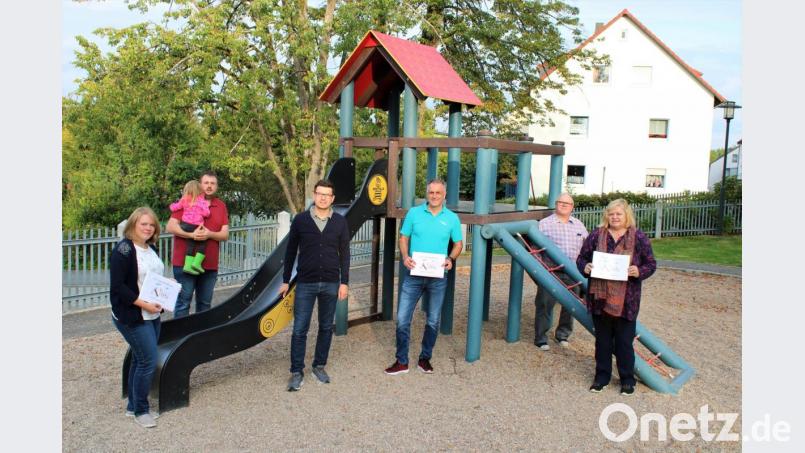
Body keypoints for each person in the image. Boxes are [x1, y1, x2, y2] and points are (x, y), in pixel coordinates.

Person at [576, 199, 656, 396]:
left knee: (624, 342)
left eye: (618, 214)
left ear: (626, 215)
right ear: (607, 216)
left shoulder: (638, 237)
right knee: (602, 342)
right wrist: (585, 267)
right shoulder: (596, 235)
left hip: (627, 299)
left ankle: (627, 380)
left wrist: (639, 270)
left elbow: (651, 263)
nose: (615, 217)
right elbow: (582, 258)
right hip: (599, 298)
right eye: (611, 214)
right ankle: (601, 377)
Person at [384, 179, 463, 376]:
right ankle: (402, 361)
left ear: (445, 195)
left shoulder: (452, 218)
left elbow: (458, 243)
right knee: (402, 319)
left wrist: (451, 258)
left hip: (438, 277)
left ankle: (424, 358)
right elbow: (403, 237)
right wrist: (404, 256)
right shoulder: (414, 213)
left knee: (433, 321)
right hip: (414, 275)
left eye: (438, 193)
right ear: (427, 194)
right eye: (431, 192)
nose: (434, 196)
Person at [280, 180, 350, 391]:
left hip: (330, 282)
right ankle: (296, 371)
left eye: (327, 195)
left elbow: (345, 254)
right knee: (300, 328)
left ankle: (319, 365)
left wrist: (344, 282)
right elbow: (290, 251)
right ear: (314, 194)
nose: (323, 198)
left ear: (332, 199)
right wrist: (285, 280)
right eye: (320, 194)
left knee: (326, 327)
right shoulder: (301, 220)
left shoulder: (339, 222)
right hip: (306, 283)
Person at [110, 207, 165, 428]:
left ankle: (133, 406)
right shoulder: (123, 250)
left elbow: (154, 280)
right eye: (144, 224)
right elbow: (118, 287)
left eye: (151, 225)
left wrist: (163, 300)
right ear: (134, 225)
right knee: (148, 360)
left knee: (139, 358)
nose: (148, 228)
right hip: (131, 314)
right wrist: (145, 305)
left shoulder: (151, 248)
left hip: (152, 312)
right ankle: (141, 410)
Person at [167, 171, 229, 318]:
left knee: (205, 304)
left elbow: (225, 234)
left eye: (212, 183)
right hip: (184, 263)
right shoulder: (188, 199)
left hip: (209, 265)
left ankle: (200, 339)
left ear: (216, 186)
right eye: (206, 183)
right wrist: (191, 235)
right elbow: (170, 227)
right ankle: (181, 338)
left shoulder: (220, 206)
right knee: (183, 302)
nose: (209, 186)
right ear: (200, 185)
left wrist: (209, 234)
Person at [534, 193, 588, 350]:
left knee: (571, 305)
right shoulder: (544, 224)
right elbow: (535, 248)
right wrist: (541, 268)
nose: (564, 205)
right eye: (561, 202)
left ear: (572, 207)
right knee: (545, 303)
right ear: (556, 204)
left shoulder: (579, 225)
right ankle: (541, 338)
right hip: (551, 270)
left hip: (573, 271)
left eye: (567, 203)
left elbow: (587, 247)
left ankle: (563, 335)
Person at [169, 180, 211, 275]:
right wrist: (206, 206)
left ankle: (187, 266)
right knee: (202, 244)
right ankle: (196, 263)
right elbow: (207, 213)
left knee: (190, 245)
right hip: (196, 225)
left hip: (185, 225)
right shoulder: (201, 201)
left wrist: (172, 205)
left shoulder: (184, 199)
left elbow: (175, 207)